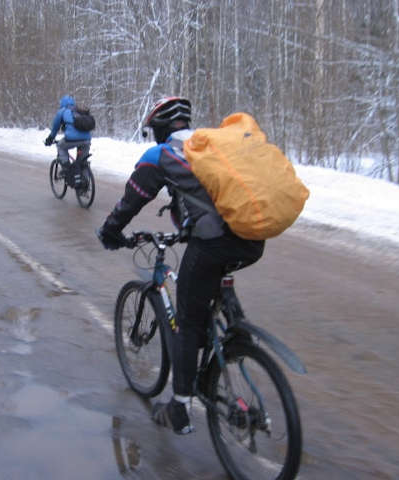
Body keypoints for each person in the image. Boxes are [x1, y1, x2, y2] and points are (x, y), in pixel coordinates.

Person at [96, 97, 265, 434]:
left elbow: (132, 200)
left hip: (214, 243)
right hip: (252, 238)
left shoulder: (161, 155)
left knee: (187, 320)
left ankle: (180, 407)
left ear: (158, 127)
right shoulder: (209, 146)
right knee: (212, 278)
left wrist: (111, 231)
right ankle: (235, 330)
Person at [43, 95, 92, 186]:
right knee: (82, 162)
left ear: (62, 104)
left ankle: (67, 169)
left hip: (71, 139)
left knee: (60, 146)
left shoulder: (62, 111)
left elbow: (55, 129)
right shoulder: (79, 111)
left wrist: (50, 139)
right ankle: (84, 183)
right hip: (86, 140)